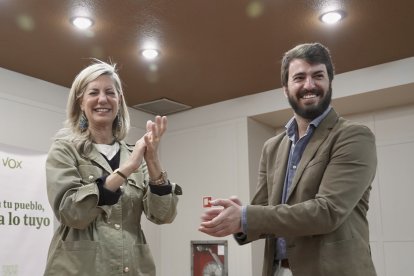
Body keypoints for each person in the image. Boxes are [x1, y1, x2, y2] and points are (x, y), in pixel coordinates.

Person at [199, 43, 377, 276]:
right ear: (286, 88)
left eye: (318, 76)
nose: (309, 85)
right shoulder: (272, 147)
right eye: (299, 77)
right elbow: (265, 210)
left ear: (330, 82)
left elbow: (327, 212)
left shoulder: (353, 136)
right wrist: (236, 221)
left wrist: (246, 216)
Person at [44, 60, 182, 276]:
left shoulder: (136, 155)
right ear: (80, 102)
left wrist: (152, 159)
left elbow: (163, 214)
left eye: (110, 92)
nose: (102, 99)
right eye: (93, 92)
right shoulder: (65, 150)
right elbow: (70, 212)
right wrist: (125, 170)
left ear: (119, 101)